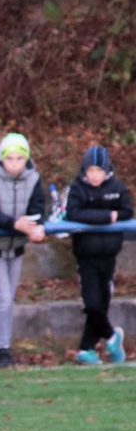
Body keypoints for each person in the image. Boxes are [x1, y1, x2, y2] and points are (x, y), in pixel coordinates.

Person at [0, 133, 47, 368]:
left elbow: (38, 207)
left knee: (9, 300)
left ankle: (4, 347)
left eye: (20, 158)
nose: (15, 164)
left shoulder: (33, 179)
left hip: (17, 249)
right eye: (10, 158)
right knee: (4, 299)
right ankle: (0, 350)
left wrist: (36, 226)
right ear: (1, 159)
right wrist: (14, 224)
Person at [65, 146, 134, 364]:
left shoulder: (117, 188)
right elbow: (73, 213)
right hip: (86, 256)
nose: (95, 175)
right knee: (92, 305)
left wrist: (115, 215)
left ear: (107, 171)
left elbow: (126, 211)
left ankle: (86, 348)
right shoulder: (77, 189)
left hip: (109, 255)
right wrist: (107, 216)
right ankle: (112, 337)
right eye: (91, 170)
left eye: (99, 171)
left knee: (102, 304)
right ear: (84, 170)